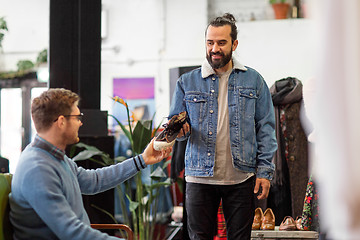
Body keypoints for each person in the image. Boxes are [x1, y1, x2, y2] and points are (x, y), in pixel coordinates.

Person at [9, 88, 172, 240]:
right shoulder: (38, 169)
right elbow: (72, 233)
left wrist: (142, 159)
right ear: (61, 122)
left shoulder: (54, 157)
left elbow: (94, 181)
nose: (81, 123)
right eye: (77, 117)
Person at [169, 13, 277, 239]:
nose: (214, 49)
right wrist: (178, 130)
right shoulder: (186, 82)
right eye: (210, 43)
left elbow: (265, 129)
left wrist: (265, 172)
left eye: (221, 42)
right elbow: (175, 130)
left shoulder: (254, 81)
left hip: (241, 177)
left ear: (234, 44)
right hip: (199, 177)